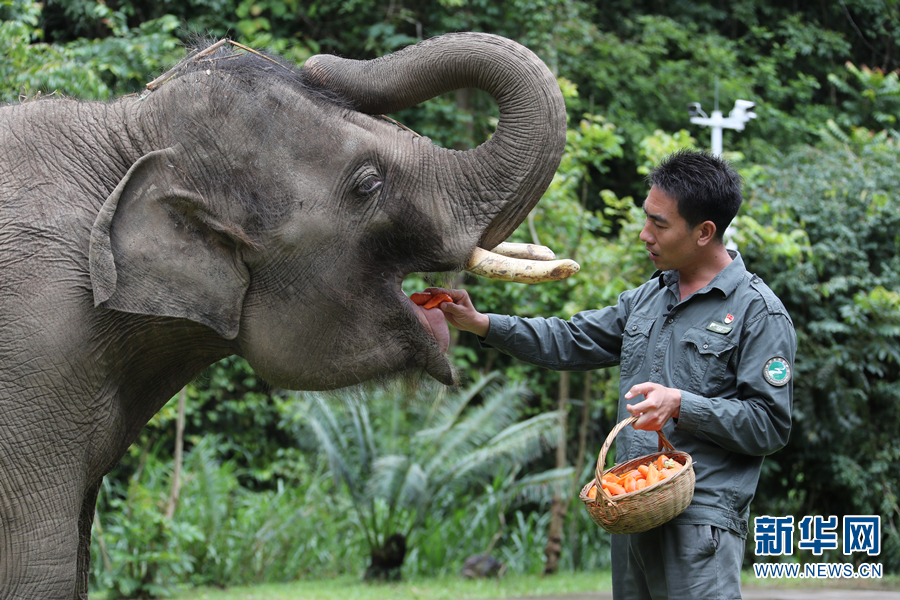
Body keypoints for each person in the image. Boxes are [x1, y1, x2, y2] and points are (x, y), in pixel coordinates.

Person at [431, 149, 796, 600]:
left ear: (704, 232)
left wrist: (682, 405)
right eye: (648, 218)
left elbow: (769, 424)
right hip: (631, 509)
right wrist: (483, 324)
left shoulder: (757, 312)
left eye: (660, 224)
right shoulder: (647, 298)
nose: (646, 234)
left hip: (699, 521)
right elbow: (570, 339)